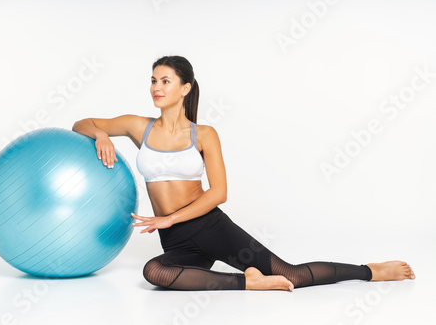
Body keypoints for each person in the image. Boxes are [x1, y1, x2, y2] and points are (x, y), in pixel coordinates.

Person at [72, 55, 415, 291]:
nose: (156, 87)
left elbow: (219, 193)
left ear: (185, 88)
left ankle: (371, 271)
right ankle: (248, 282)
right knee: (154, 272)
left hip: (209, 227)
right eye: (152, 80)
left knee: (291, 273)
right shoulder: (137, 126)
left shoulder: (203, 134)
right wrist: (101, 134)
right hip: (176, 242)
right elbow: (82, 123)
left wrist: (169, 219)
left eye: (165, 80)